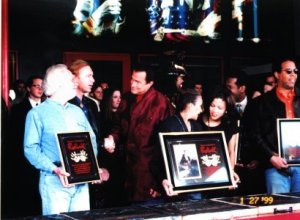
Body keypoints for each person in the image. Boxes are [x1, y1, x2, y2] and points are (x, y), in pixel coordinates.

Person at [23, 64, 109, 215]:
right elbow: (31, 149)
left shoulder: (77, 111)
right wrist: (54, 169)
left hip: (81, 181)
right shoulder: (37, 113)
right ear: (58, 84)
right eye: (71, 80)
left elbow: (91, 140)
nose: (75, 83)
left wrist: (92, 168)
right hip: (54, 181)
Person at [110, 64, 174, 203]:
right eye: (132, 79)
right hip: (126, 168)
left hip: (148, 173)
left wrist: (159, 181)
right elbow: (117, 126)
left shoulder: (161, 103)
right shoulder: (127, 98)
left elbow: (168, 144)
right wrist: (112, 138)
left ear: (150, 83)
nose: (132, 84)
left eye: (138, 82)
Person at [251, 57, 300, 194]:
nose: (293, 75)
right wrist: (271, 157)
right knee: (279, 210)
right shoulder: (261, 103)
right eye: (288, 71)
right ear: (277, 74)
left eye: (295, 71)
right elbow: (254, 134)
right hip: (275, 165)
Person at [68, 59, 113, 209]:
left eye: (92, 76)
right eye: (88, 76)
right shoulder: (65, 103)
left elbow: (96, 136)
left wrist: (101, 166)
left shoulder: (92, 104)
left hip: (94, 169)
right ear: (75, 78)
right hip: (74, 169)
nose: (93, 80)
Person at [153, 89, 203, 199]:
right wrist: (163, 179)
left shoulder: (197, 127)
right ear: (190, 105)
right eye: (200, 106)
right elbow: (156, 159)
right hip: (174, 187)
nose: (200, 110)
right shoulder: (168, 126)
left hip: (195, 184)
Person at [6, 75, 44, 217]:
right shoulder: (19, 109)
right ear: (28, 88)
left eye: (42, 85)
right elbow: (14, 137)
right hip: (24, 159)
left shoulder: (47, 107)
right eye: (36, 86)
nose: (40, 89)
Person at [198, 87, 240, 187]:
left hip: (220, 169)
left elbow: (231, 151)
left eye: (220, 108)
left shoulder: (230, 125)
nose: (214, 110)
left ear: (226, 110)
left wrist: (230, 172)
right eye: (212, 106)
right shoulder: (198, 120)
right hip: (201, 169)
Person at [98, 87, 127, 207]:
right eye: (115, 97)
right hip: (108, 159)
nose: (118, 100)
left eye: (120, 97)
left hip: (122, 159)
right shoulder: (101, 117)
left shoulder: (124, 116)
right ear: (109, 99)